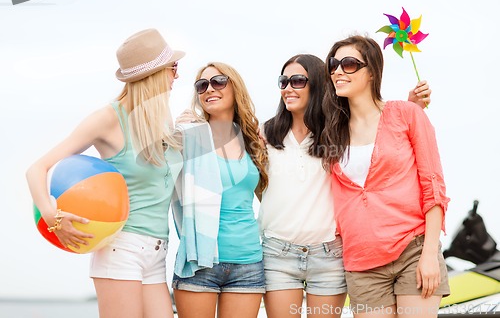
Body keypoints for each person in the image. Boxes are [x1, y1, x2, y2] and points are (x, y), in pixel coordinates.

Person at [26, 28, 184, 318]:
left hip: (158, 251)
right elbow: (37, 169)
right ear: (155, 74)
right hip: (121, 249)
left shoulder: (161, 123)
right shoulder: (109, 119)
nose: (177, 76)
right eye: (173, 68)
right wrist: (52, 216)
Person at [259, 53, 432, 318]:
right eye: (283, 81)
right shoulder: (266, 134)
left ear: (317, 83)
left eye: (297, 81)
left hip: (329, 253)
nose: (288, 88)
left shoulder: (338, 132)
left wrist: (412, 107)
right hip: (277, 252)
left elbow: (377, 133)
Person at [321, 35, 450, 318]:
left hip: (413, 250)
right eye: (334, 64)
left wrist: (429, 255)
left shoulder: (407, 114)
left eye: (349, 63)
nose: (338, 70)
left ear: (371, 72)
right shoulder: (331, 131)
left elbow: (433, 185)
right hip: (361, 261)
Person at [171, 62, 269, 318]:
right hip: (200, 262)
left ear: (234, 87)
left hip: (248, 262)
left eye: (218, 81)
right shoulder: (190, 136)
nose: (209, 89)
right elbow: (158, 175)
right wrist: (173, 135)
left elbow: (269, 196)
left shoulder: (253, 140)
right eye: (202, 85)